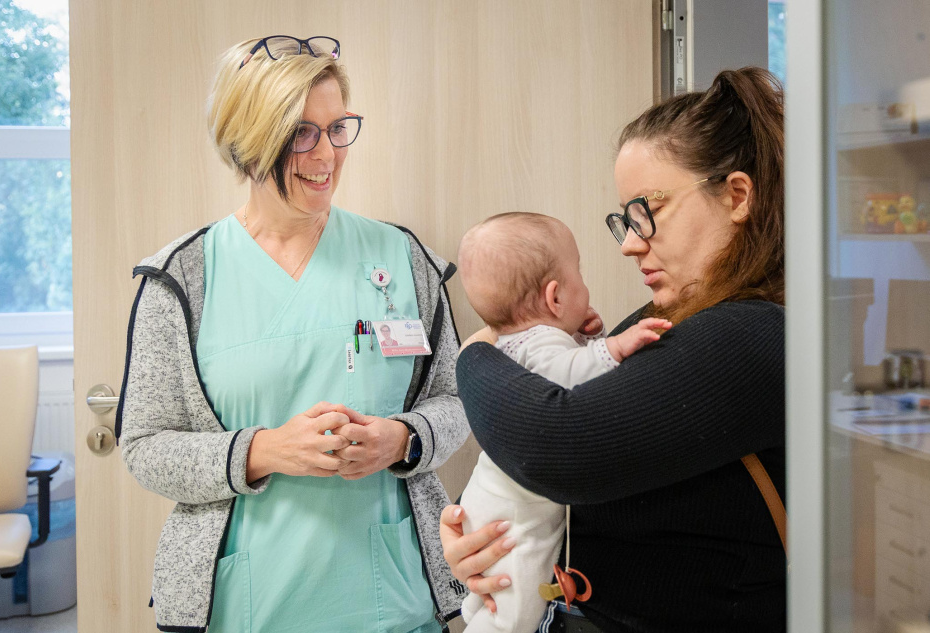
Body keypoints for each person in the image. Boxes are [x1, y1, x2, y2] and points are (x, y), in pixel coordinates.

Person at [115, 36, 469, 633]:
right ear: (249, 140)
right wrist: (264, 451)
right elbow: (145, 447)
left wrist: (403, 438)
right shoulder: (183, 279)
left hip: (393, 600)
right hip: (247, 605)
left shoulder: (402, 258)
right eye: (301, 132)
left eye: (338, 129)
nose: (327, 154)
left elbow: (456, 399)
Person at [442, 67, 786, 633]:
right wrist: (478, 531)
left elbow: (556, 445)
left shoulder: (753, 333)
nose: (629, 243)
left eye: (648, 211)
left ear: (736, 196)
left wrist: (480, 348)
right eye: (625, 220)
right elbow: (527, 439)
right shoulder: (672, 316)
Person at [455, 212, 670, 633]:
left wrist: (586, 338)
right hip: (516, 509)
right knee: (516, 603)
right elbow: (565, 379)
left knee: (496, 587)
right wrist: (611, 348)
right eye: (579, 273)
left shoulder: (511, 341)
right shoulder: (542, 341)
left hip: (494, 494)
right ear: (554, 298)